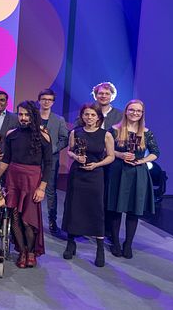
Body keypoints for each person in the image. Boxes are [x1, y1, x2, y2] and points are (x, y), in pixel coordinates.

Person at [0, 101, 52, 269]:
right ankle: (22, 251)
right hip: (13, 179)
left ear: (33, 115)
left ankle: (31, 251)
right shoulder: (11, 134)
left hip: (32, 181)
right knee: (15, 217)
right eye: (20, 114)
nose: (23, 118)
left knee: (28, 221)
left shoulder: (44, 136)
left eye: (27, 115)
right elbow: (6, 160)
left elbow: (48, 164)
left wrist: (42, 188)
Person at [62, 104, 115, 267]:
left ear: (98, 117)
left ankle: (99, 248)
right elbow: (70, 151)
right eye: (86, 114)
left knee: (96, 209)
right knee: (74, 207)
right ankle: (71, 242)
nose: (89, 117)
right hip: (77, 174)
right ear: (82, 116)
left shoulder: (106, 135)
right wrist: (75, 157)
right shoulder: (75, 132)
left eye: (92, 115)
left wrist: (97, 165)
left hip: (95, 175)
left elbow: (111, 156)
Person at [106, 100, 160, 259]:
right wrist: (120, 154)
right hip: (118, 172)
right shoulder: (114, 130)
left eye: (139, 111)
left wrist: (142, 160)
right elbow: (106, 150)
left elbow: (156, 152)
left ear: (142, 113)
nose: (135, 113)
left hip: (138, 173)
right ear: (126, 111)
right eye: (132, 110)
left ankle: (128, 244)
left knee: (133, 210)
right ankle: (115, 242)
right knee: (116, 208)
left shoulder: (146, 132)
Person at [38, 89, 69, 234]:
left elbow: (65, 139)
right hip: (33, 159)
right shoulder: (32, 117)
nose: (46, 102)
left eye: (49, 99)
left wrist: (53, 149)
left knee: (50, 191)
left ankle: (52, 221)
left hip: (51, 159)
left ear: (53, 102)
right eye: (43, 99)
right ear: (39, 100)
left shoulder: (59, 120)